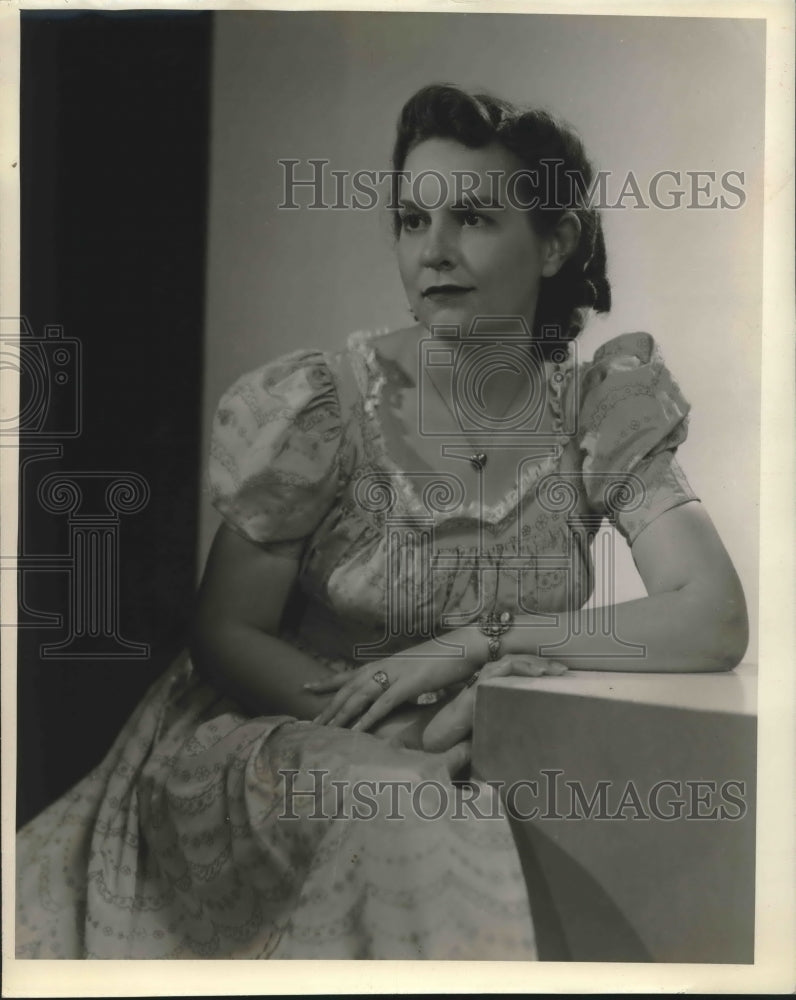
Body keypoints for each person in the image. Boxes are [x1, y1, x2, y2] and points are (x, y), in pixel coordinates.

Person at [15, 83, 748, 960]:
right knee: (408, 817)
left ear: (552, 242)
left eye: (473, 218)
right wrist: (387, 736)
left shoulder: (596, 410)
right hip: (279, 735)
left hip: (469, 733)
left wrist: (484, 639)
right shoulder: (324, 405)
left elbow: (711, 614)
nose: (432, 252)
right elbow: (226, 631)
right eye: (411, 221)